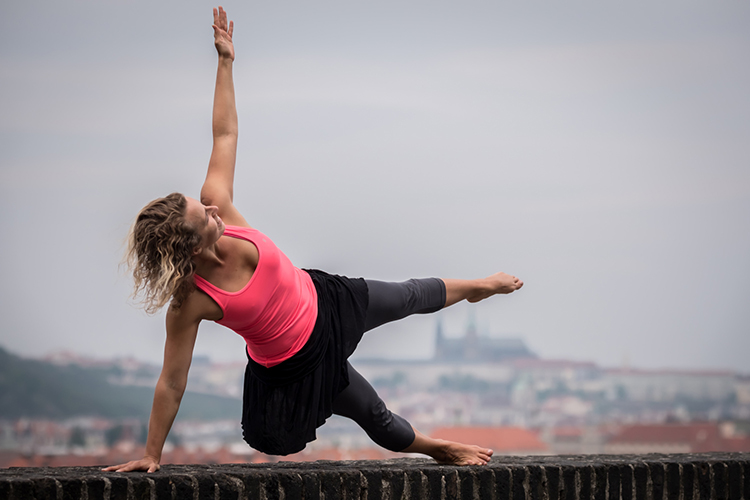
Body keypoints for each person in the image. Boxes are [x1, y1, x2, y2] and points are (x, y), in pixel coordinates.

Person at [104, 6, 523, 473]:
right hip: (298, 363)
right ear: (191, 247)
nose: (213, 207)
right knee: (374, 416)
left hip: (326, 299)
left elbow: (225, 133)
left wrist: (225, 62)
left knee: (408, 295)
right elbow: (172, 382)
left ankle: (478, 288)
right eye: (204, 215)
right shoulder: (191, 301)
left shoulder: (224, 211)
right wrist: (151, 454)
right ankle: (439, 448)